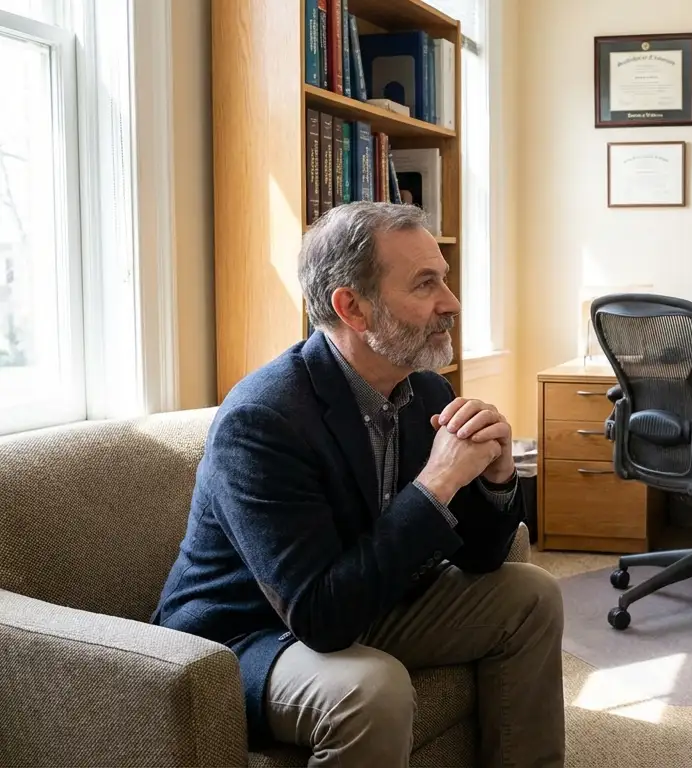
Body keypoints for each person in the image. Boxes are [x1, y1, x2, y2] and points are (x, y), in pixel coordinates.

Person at [151, 202, 565, 767]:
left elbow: (483, 558)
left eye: (443, 280)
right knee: (370, 688)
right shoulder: (264, 419)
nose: (452, 304)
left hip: (367, 598)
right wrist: (437, 483)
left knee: (531, 594)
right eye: (425, 285)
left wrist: (495, 478)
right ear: (352, 307)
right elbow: (321, 617)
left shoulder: (427, 394)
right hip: (250, 634)